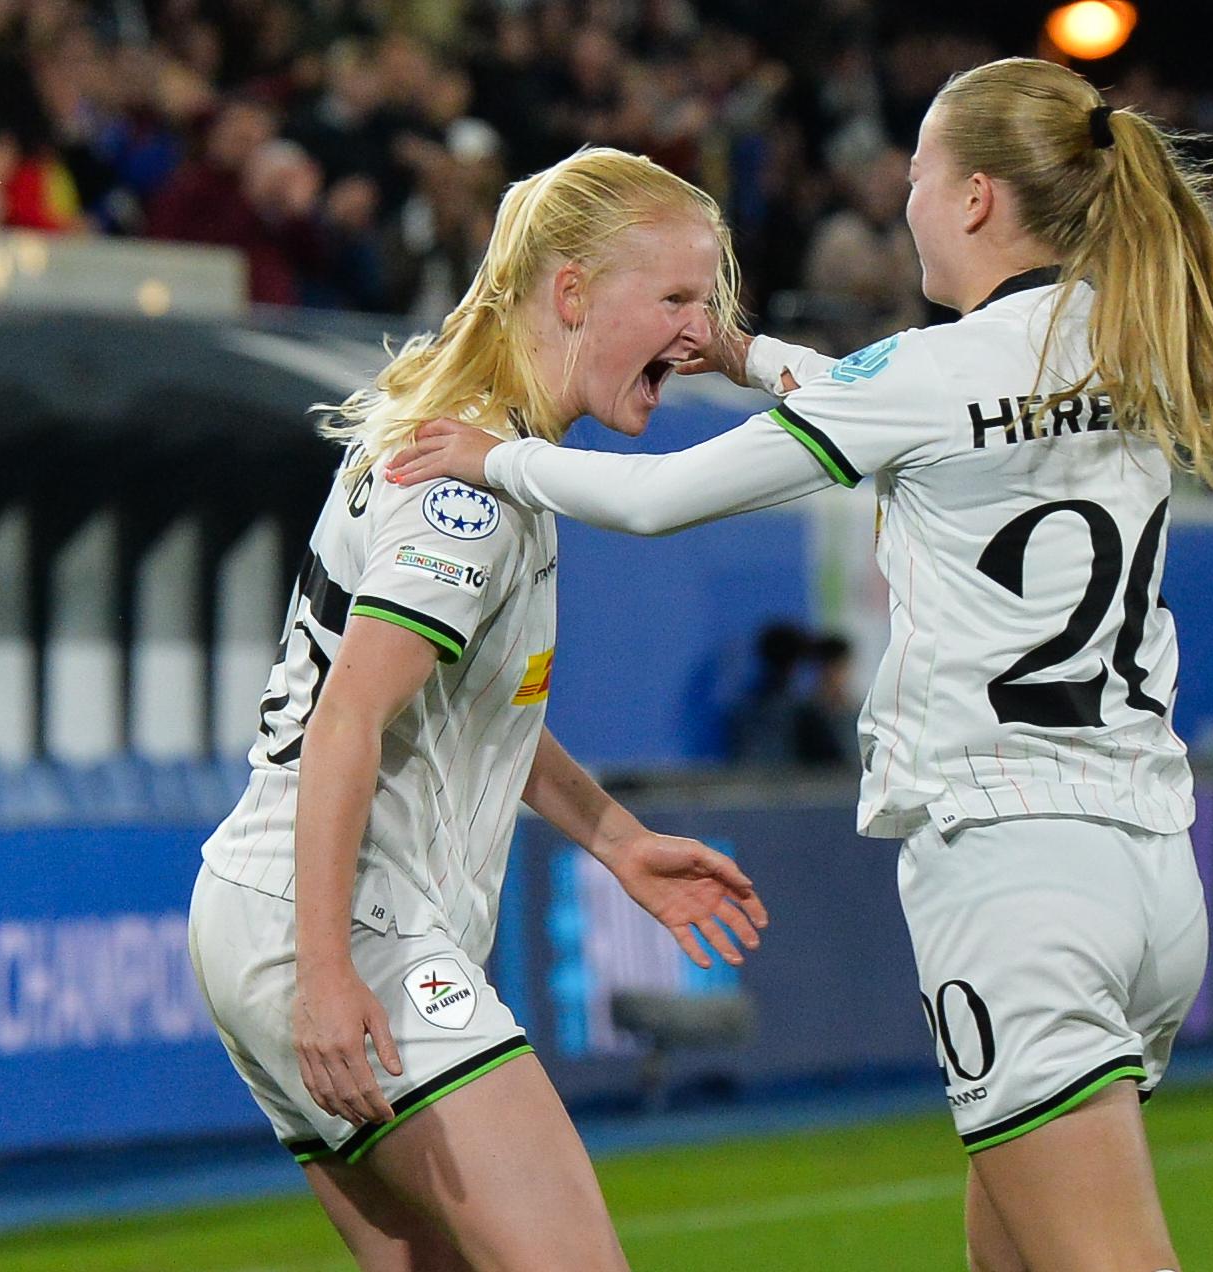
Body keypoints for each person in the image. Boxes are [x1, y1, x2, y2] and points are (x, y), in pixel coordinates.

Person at [385, 57, 1213, 1272]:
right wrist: (748, 354)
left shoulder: (935, 374)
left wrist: (492, 459)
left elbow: (665, 495)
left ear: (977, 198)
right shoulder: (1129, 340)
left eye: (922, 174)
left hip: (1015, 878)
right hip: (1147, 877)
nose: (907, 199)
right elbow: (902, 415)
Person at [188, 146, 768, 1271]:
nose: (699, 333)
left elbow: (463, 704)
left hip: (266, 913)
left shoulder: (479, 443)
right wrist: (324, 969)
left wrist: (617, 838)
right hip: (348, 924)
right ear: (569, 293)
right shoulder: (468, 490)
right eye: (676, 298)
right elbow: (347, 718)